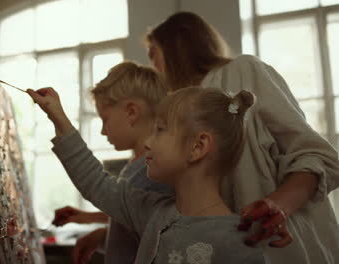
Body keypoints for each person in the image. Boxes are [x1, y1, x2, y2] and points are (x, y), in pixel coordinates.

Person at [145, 11, 339, 263]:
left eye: (153, 54)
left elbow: (319, 157)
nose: (153, 67)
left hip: (285, 250)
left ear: (176, 49)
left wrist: (277, 205)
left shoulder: (243, 71)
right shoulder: (180, 114)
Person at [27, 85, 269, 263]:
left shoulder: (240, 244)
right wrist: (58, 117)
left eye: (160, 131)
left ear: (197, 147)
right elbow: (96, 182)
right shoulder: (152, 212)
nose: (148, 143)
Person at [51, 61, 173, 264]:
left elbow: (155, 240)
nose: (103, 130)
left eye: (105, 119)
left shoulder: (153, 173)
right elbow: (136, 228)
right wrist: (100, 234)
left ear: (132, 112)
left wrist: (59, 119)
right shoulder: (138, 168)